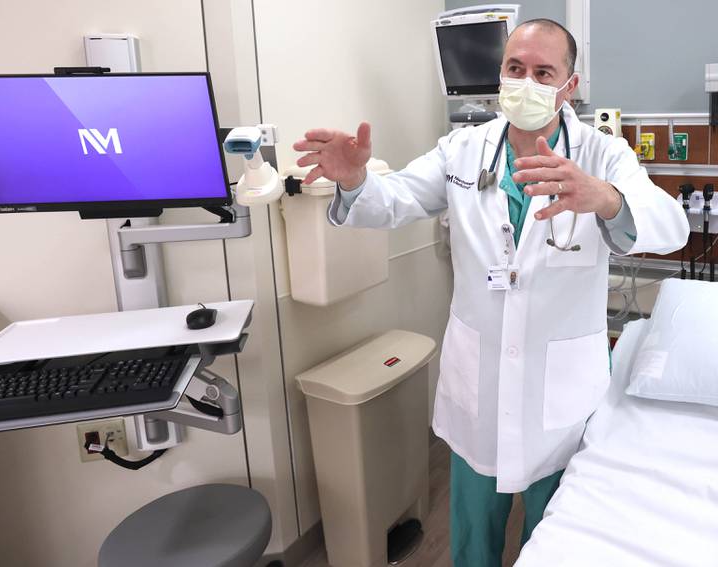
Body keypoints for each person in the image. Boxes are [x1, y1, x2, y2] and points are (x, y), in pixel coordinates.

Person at [293, 18, 689, 566]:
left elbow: (671, 226)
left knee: (554, 538)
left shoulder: (604, 155)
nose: (525, 81)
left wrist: (605, 198)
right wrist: (355, 181)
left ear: (569, 86)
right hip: (477, 385)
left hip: (563, 396)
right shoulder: (463, 149)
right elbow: (396, 198)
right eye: (515, 68)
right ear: (500, 72)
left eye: (543, 72)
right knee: (472, 538)